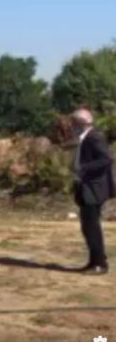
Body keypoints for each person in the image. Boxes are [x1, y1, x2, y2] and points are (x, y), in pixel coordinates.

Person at [70, 108, 114, 275]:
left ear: (80, 123)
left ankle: (100, 264)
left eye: (73, 123)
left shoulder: (93, 137)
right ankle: (94, 261)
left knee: (92, 227)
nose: (71, 126)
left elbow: (106, 159)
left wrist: (83, 168)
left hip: (93, 189)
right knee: (88, 227)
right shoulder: (85, 138)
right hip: (86, 188)